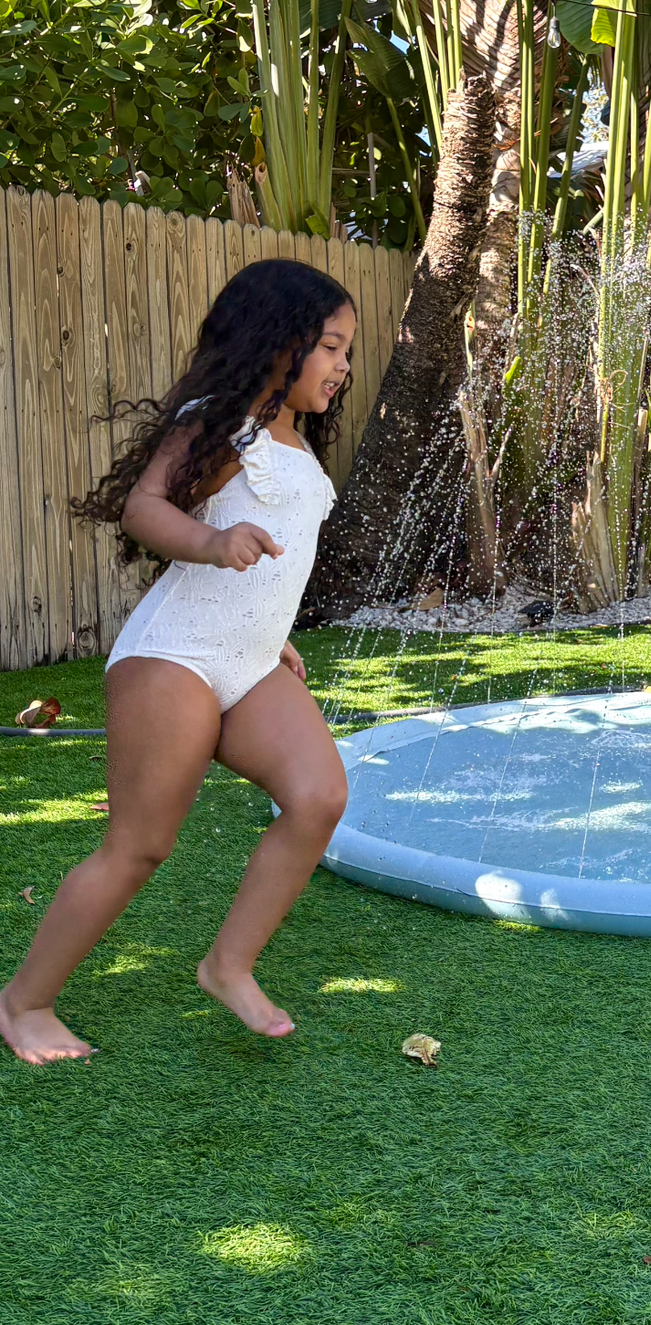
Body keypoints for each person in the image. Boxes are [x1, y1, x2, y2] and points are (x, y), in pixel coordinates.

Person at [0, 260, 356, 1063]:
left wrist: (272, 625)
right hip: (176, 656)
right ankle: (24, 1003)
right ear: (279, 341)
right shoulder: (226, 425)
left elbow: (276, 555)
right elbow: (145, 507)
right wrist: (212, 542)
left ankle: (228, 965)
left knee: (319, 798)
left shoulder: (295, 440)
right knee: (140, 844)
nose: (341, 366)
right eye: (331, 347)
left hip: (253, 658)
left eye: (346, 352)